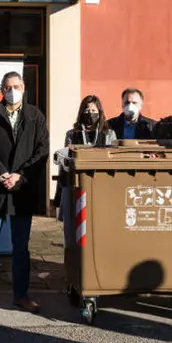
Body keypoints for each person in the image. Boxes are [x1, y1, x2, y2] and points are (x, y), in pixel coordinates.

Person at [0, 72, 49, 314]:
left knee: (21, 248)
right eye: (7, 87)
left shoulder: (35, 116)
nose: (12, 90)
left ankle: (21, 295)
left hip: (22, 192)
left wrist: (20, 176)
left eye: (16, 86)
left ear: (23, 88)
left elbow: (41, 151)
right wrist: (2, 174)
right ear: (2, 90)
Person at [54, 95, 117, 245]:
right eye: (87, 110)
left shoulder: (108, 134)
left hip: (100, 187)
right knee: (72, 229)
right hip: (75, 186)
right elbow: (65, 162)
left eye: (94, 110)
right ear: (81, 112)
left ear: (100, 112)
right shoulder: (72, 134)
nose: (90, 114)